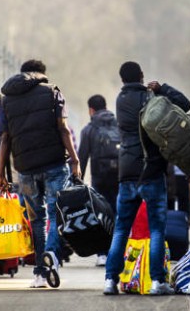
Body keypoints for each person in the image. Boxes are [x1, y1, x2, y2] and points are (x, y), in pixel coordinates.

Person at [103, 61, 190, 295]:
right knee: (156, 230)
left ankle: (110, 281)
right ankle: (156, 282)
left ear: (122, 79)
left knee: (121, 228)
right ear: (141, 76)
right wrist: (163, 89)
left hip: (127, 172)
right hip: (151, 171)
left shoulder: (120, 101)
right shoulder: (152, 98)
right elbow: (185, 105)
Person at [0, 59, 81, 289]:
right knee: (56, 215)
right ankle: (52, 256)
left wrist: (0, 176)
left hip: (24, 171)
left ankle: (39, 274)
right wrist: (74, 159)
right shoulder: (52, 92)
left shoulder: (6, 101)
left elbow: (4, 138)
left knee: (36, 219)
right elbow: (63, 128)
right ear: (41, 75)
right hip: (54, 165)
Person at [78, 94, 120, 267]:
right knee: (119, 213)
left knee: (101, 214)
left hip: (100, 178)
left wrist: (78, 180)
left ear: (91, 110)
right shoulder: (120, 125)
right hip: (120, 176)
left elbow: (82, 157)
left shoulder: (89, 129)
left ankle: (102, 254)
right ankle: (118, 251)